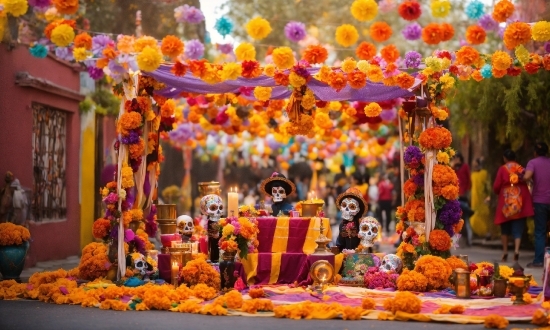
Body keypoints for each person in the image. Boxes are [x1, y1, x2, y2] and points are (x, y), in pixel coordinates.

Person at [493, 149, 534, 264]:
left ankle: (505, 251)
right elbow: (528, 180)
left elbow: (496, 187)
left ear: (505, 158)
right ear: (515, 158)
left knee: (505, 228)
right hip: (519, 199)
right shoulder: (521, 168)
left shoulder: (502, 169)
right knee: (518, 227)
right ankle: (516, 250)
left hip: (506, 201)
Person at [523, 142, 550, 268]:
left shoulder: (532, 163)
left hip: (540, 202)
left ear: (535, 152)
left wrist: (521, 177)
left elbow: (527, 176)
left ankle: (539, 260)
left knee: (540, 231)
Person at [452, 153, 473, 246]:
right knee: (455, 220)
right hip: (455, 196)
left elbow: (469, 180)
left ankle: (469, 240)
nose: (456, 160)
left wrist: (467, 191)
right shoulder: (453, 168)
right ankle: (456, 242)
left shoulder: (465, 167)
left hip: (463, 196)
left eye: (457, 158)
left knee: (466, 219)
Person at [470, 158, 493, 239]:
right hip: (474, 200)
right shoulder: (472, 175)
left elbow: (488, 186)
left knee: (484, 217)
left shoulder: (484, 173)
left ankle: (487, 233)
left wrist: (488, 196)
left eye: (476, 164)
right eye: (473, 165)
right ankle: (480, 233)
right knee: (474, 217)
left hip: (483, 199)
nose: (475, 166)